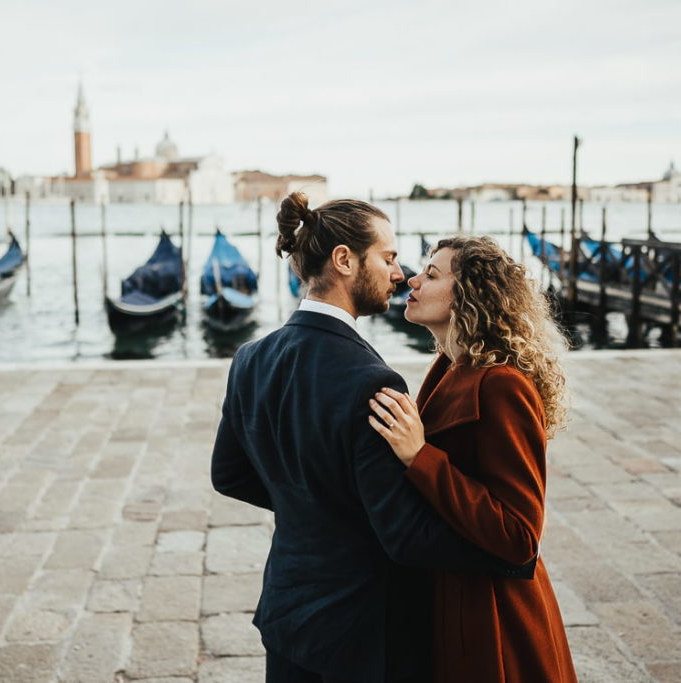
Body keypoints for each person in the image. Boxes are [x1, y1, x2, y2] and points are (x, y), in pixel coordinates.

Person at [211, 194, 535, 683]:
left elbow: (229, 475)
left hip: (286, 611)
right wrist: (512, 558)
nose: (400, 273)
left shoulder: (251, 357)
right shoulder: (372, 381)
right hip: (362, 632)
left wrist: (310, 508)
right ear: (344, 260)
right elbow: (402, 535)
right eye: (387, 257)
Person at [367, 236, 577, 682]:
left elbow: (520, 535)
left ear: (469, 293)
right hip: (452, 592)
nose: (411, 279)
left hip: (493, 614)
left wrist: (419, 456)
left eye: (432, 274)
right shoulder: (449, 365)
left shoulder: (502, 384)